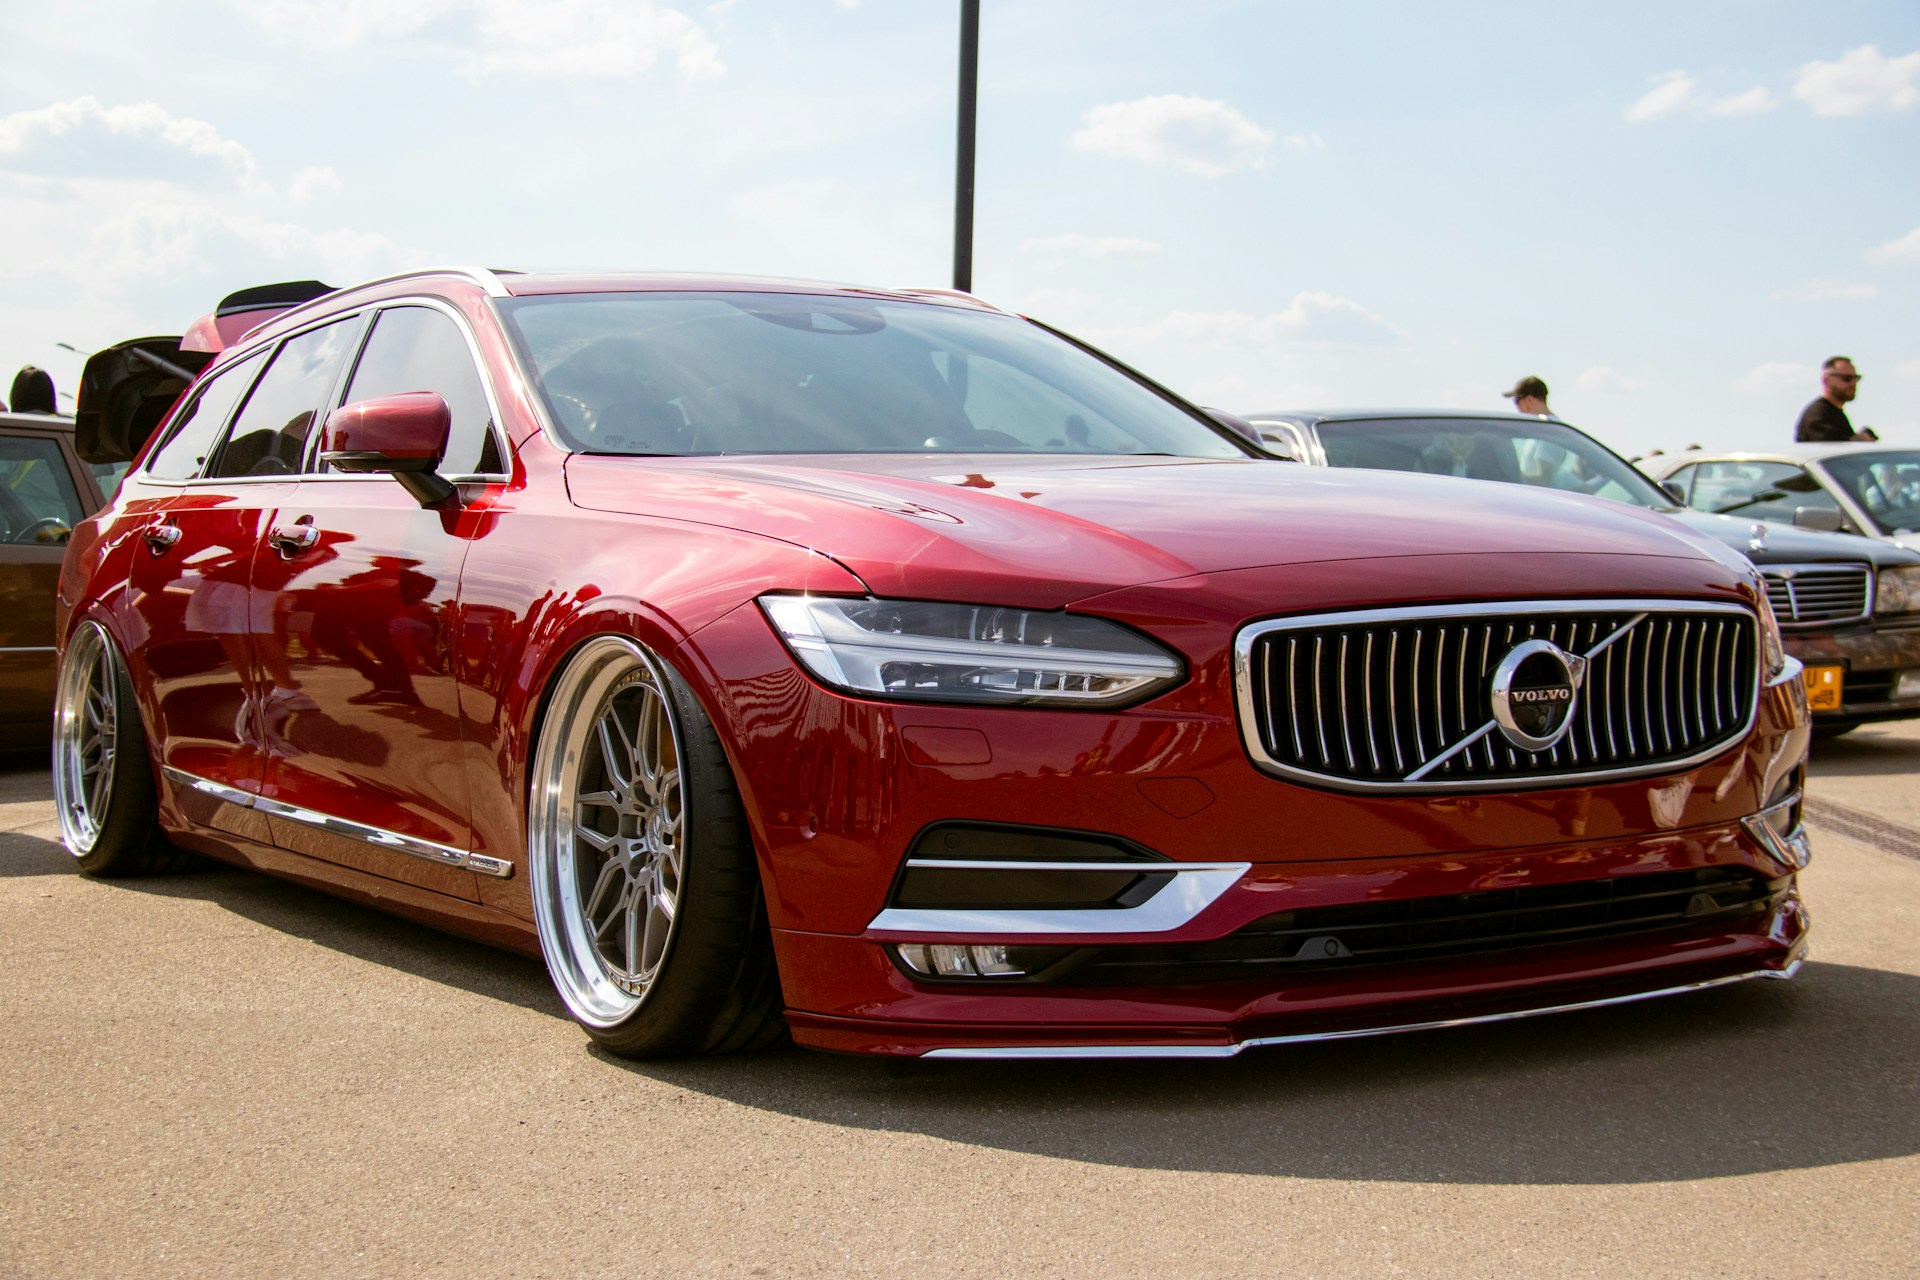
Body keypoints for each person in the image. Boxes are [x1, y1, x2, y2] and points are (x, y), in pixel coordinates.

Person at [1795, 356, 1877, 442]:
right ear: (1826, 380)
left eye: (1856, 378)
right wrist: (1858, 441)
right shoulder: (1818, 416)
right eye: (1847, 378)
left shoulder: (1834, 413)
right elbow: (1831, 451)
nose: (1853, 383)